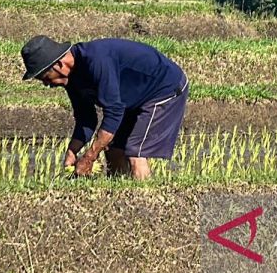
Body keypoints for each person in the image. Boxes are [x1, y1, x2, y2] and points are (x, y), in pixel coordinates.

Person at [20, 34, 188, 180]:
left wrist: (89, 157)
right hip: (133, 98)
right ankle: (119, 194)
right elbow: (86, 118)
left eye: (45, 77)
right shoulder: (71, 80)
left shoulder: (96, 60)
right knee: (113, 148)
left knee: (135, 150)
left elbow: (113, 112)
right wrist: (72, 151)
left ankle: (143, 199)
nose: (46, 84)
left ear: (59, 65)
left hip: (165, 87)